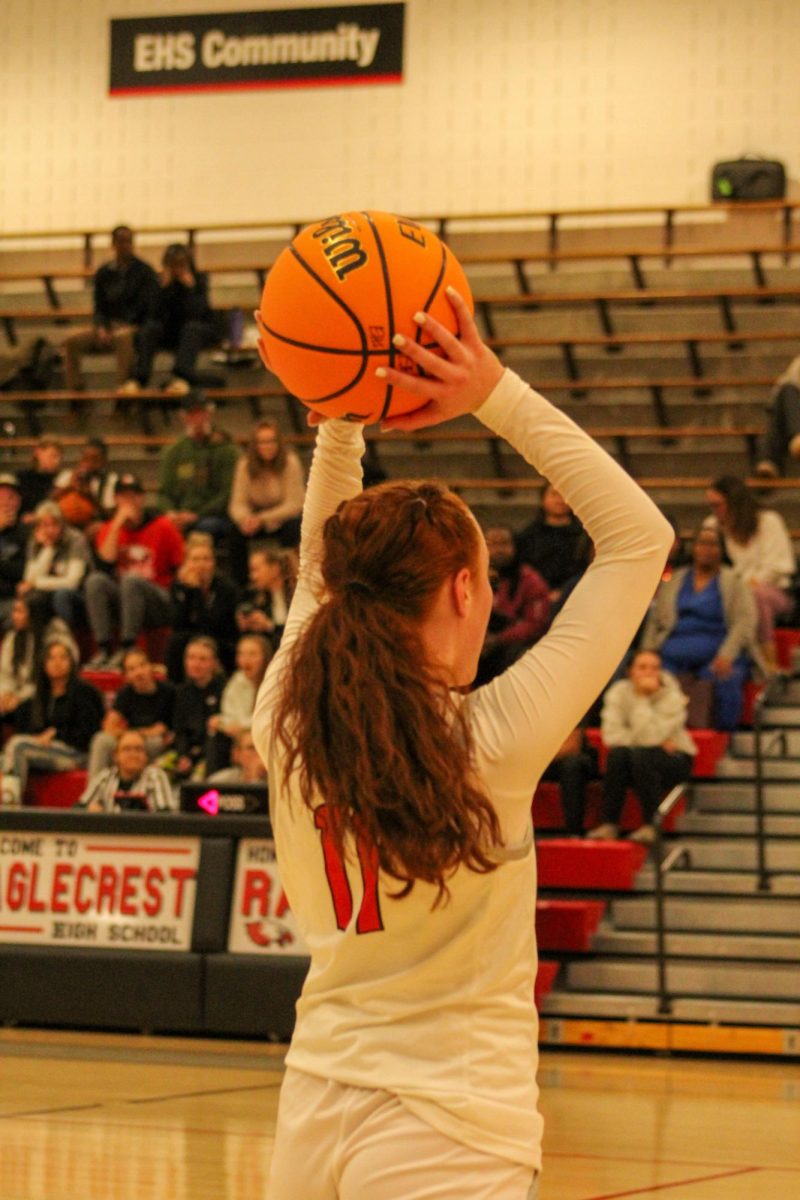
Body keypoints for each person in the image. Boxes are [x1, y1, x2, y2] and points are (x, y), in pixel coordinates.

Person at [251, 289, 672, 1199]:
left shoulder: (283, 715)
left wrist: (339, 424)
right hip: (451, 1123)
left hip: (315, 1101)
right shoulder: (491, 740)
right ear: (463, 590)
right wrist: (493, 390)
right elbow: (641, 538)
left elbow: (318, 580)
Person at [641, 526, 763, 730]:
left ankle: (723, 740)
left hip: (718, 652)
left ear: (721, 550)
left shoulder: (733, 581)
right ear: (694, 548)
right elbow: (656, 620)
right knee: (650, 677)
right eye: (702, 543)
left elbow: (744, 621)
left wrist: (727, 654)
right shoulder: (676, 580)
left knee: (726, 678)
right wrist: (647, 652)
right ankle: (656, 737)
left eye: (712, 544)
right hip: (673, 652)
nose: (706, 549)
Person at [588, 650, 696, 844]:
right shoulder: (618, 692)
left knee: (642, 755)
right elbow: (612, 736)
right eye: (642, 667)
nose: (649, 673)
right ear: (630, 671)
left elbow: (649, 738)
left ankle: (651, 824)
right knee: (618, 755)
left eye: (655, 668)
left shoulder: (672, 695)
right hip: (639, 756)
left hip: (676, 759)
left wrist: (641, 698)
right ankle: (610, 824)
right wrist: (652, 741)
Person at [84, 473, 184, 669]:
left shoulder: (163, 526)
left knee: (131, 580)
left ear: (142, 498)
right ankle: (104, 649)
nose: (129, 501)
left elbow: (180, 567)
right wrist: (117, 526)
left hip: (158, 599)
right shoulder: (109, 528)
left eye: (134, 496)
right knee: (95, 581)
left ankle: (128, 647)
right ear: (115, 500)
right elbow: (104, 564)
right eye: (123, 496)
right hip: (126, 600)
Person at [1, 637, 104, 806]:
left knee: (18, 746)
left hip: (77, 754)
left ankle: (10, 803)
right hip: (44, 752)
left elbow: (90, 733)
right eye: (51, 658)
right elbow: (20, 723)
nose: (57, 662)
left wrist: (56, 734)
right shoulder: (39, 696)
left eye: (63, 657)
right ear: (43, 663)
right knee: (7, 755)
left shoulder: (84, 692)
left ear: (72, 662)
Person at [705, 475, 795, 663]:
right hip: (733, 590)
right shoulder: (713, 527)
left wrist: (743, 588)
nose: (714, 511)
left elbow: (777, 567)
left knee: (756, 596)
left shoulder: (768, 521)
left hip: (776, 591)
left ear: (734, 502)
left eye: (718, 505)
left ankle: (769, 662)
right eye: (711, 506)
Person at [62, 225, 158, 393]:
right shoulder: (104, 272)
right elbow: (99, 307)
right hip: (108, 325)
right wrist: (101, 327)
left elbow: (150, 308)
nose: (125, 245)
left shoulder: (145, 271)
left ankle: (122, 392)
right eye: (121, 242)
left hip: (133, 327)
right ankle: (75, 392)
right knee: (72, 340)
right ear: (113, 244)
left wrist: (129, 325)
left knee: (123, 337)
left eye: (128, 241)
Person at [120, 243, 219, 396]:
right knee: (150, 328)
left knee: (191, 328)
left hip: (195, 331)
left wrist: (190, 288)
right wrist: (163, 289)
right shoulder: (158, 282)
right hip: (170, 331)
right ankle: (139, 379)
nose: (177, 269)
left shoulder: (199, 280)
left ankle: (182, 378)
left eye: (181, 264)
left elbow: (199, 313)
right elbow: (153, 314)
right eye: (173, 264)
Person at [156, 391, 239, 541]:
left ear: (210, 414)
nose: (197, 419)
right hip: (181, 515)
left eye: (201, 413)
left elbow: (228, 493)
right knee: (161, 526)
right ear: (183, 417)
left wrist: (197, 514)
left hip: (215, 515)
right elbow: (163, 493)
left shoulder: (226, 449)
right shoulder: (174, 451)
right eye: (192, 414)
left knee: (207, 526)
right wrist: (170, 512)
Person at [475, 525, 550, 685]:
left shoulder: (530, 580)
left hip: (511, 645)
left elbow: (535, 624)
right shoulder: (471, 577)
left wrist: (499, 639)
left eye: (504, 544)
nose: (499, 550)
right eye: (492, 544)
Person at [87, 647, 175, 777]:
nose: (139, 672)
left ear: (150, 667)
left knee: (155, 743)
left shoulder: (169, 691)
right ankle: (94, 792)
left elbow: (167, 730)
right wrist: (141, 733)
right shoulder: (125, 694)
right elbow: (108, 727)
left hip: (158, 745)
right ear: (126, 676)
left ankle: (144, 787)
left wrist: (156, 734)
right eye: (132, 669)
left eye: (142, 665)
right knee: (102, 740)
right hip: (134, 739)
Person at [228, 419, 305, 564]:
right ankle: (242, 583)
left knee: (294, 526)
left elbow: (295, 503)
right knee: (234, 531)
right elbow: (237, 502)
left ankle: (290, 573)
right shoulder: (244, 465)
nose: (267, 446)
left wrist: (262, 519)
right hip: (254, 519)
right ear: (254, 445)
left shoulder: (290, 462)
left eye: (271, 441)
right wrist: (245, 519)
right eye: (262, 442)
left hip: (283, 518)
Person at [165, 534, 239, 680]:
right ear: (186, 563)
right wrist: (190, 591)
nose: (201, 564)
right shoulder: (179, 586)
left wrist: (197, 592)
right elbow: (177, 623)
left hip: (220, 639)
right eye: (195, 559)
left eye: (206, 559)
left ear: (214, 562)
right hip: (190, 639)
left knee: (199, 643)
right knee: (175, 642)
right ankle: (176, 691)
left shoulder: (226, 587)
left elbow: (210, 625)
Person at [0, 597, 77, 725]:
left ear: (34, 613)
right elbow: (5, 673)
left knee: (25, 709)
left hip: (45, 697)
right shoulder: (13, 637)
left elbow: (51, 679)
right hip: (17, 693)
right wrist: (6, 693)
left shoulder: (55, 637)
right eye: (14, 611)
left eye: (20, 611)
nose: (14, 616)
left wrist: (20, 697)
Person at [18, 501, 91, 630]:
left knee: (61, 595)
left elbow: (72, 582)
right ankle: (36, 643)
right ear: (38, 527)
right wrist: (48, 548)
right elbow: (28, 579)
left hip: (79, 595)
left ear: (62, 524)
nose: (50, 530)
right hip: (49, 592)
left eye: (55, 524)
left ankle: (65, 639)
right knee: (31, 599)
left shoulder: (75, 539)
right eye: (45, 525)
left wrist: (37, 583)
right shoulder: (36, 542)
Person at [206, 633, 272, 774]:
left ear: (265, 658)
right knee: (215, 733)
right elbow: (229, 714)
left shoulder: (275, 682)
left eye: (252, 654)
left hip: (266, 734)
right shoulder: (237, 681)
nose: (246, 660)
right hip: (240, 734)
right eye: (241, 654)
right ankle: (215, 781)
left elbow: (271, 717)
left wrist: (242, 726)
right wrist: (223, 723)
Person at [515, 482, 589, 602]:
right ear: (543, 499)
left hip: (577, 595)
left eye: (564, 495)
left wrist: (565, 591)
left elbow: (585, 566)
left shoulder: (583, 535)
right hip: (536, 597)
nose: (560, 500)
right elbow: (525, 567)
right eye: (554, 494)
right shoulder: (528, 534)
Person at [169, 636, 226, 780]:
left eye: (203, 659)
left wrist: (193, 758)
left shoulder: (225, 689)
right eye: (191, 658)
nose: (196, 664)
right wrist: (183, 756)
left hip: (211, 755)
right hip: (185, 752)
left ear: (214, 663)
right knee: (156, 772)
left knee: (197, 781)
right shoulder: (182, 692)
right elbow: (179, 730)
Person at [77, 728, 173, 813]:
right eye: (127, 749)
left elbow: (165, 815)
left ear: (146, 756)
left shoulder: (156, 776)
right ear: (116, 756)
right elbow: (78, 809)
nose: (133, 755)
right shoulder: (104, 777)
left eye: (138, 749)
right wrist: (89, 809)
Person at [539, 723, 600, 838]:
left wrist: (536, 756)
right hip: (541, 759)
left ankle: (574, 831)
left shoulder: (567, 707)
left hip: (573, 759)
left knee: (572, 765)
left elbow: (572, 746)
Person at [53, 437, 119, 529]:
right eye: (85, 458)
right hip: (64, 524)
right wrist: (69, 486)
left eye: (94, 459)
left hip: (93, 524)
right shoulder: (67, 475)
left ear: (104, 461)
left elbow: (110, 516)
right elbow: (49, 500)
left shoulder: (110, 480)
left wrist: (91, 497)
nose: (89, 463)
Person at [236, 545, 293, 647]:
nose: (252, 577)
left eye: (256, 570)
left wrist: (269, 626)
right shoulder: (257, 598)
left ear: (275, 568)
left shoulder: (295, 594)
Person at [0, 473, 29, 626]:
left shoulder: (27, 532)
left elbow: (23, 570)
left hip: (12, 599)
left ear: (19, 501)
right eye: (1, 497)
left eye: (11, 497)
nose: (6, 503)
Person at [16, 437, 64, 519]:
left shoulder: (60, 480)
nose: (57, 461)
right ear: (38, 452)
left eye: (60, 458)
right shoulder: (21, 478)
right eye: (53, 456)